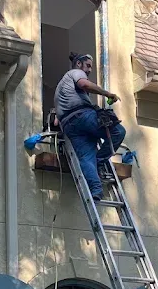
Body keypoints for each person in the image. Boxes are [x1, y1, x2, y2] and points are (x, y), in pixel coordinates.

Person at [54, 53, 126, 201]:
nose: (89, 70)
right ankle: (100, 162)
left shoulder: (61, 87)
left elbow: (56, 121)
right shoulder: (75, 73)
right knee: (118, 131)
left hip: (70, 126)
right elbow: (84, 84)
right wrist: (108, 93)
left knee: (86, 157)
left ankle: (95, 190)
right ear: (79, 64)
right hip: (83, 117)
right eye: (88, 65)